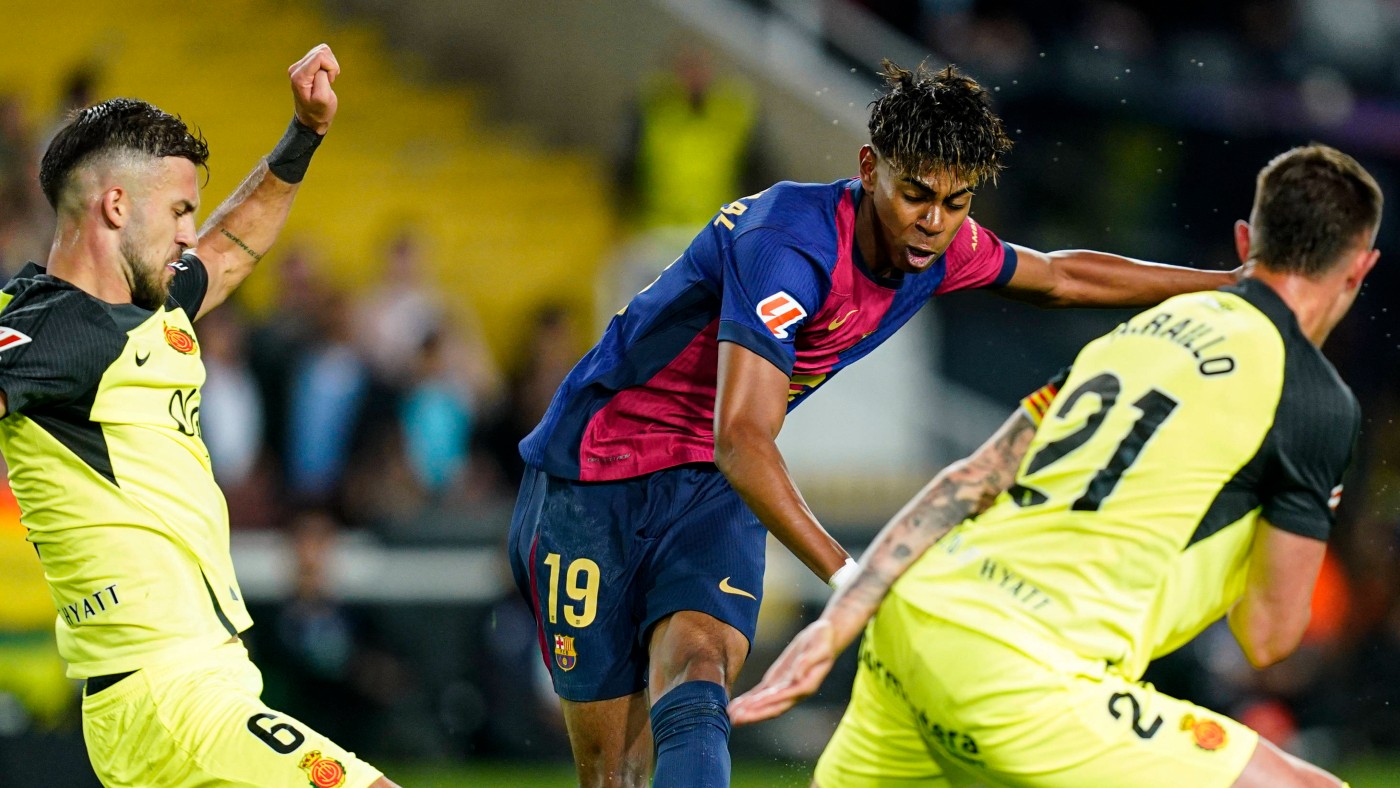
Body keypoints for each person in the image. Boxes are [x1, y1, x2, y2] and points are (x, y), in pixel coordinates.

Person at [508, 60, 1244, 788]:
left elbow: (1060, 276)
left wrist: (1234, 288)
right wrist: (853, 579)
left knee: (701, 668)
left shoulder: (940, 247)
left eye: (956, 202)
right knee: (615, 771)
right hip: (594, 475)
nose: (934, 223)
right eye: (915, 194)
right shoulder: (787, 247)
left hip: (707, 483)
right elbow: (743, 439)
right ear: (869, 168)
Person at [729, 144, 1378, 788]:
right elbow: (1267, 637)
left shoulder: (1141, 332)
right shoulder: (1314, 398)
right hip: (1026, 669)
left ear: (1244, 242)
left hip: (916, 616)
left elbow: (970, 479)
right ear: (1359, 267)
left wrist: (837, 623)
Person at [0, 45, 399, 787]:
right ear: (116, 206)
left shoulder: (148, 308)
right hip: (164, 692)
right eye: (179, 211)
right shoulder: (49, 328)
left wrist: (304, 133)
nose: (189, 233)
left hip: (202, 680)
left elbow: (235, 243)